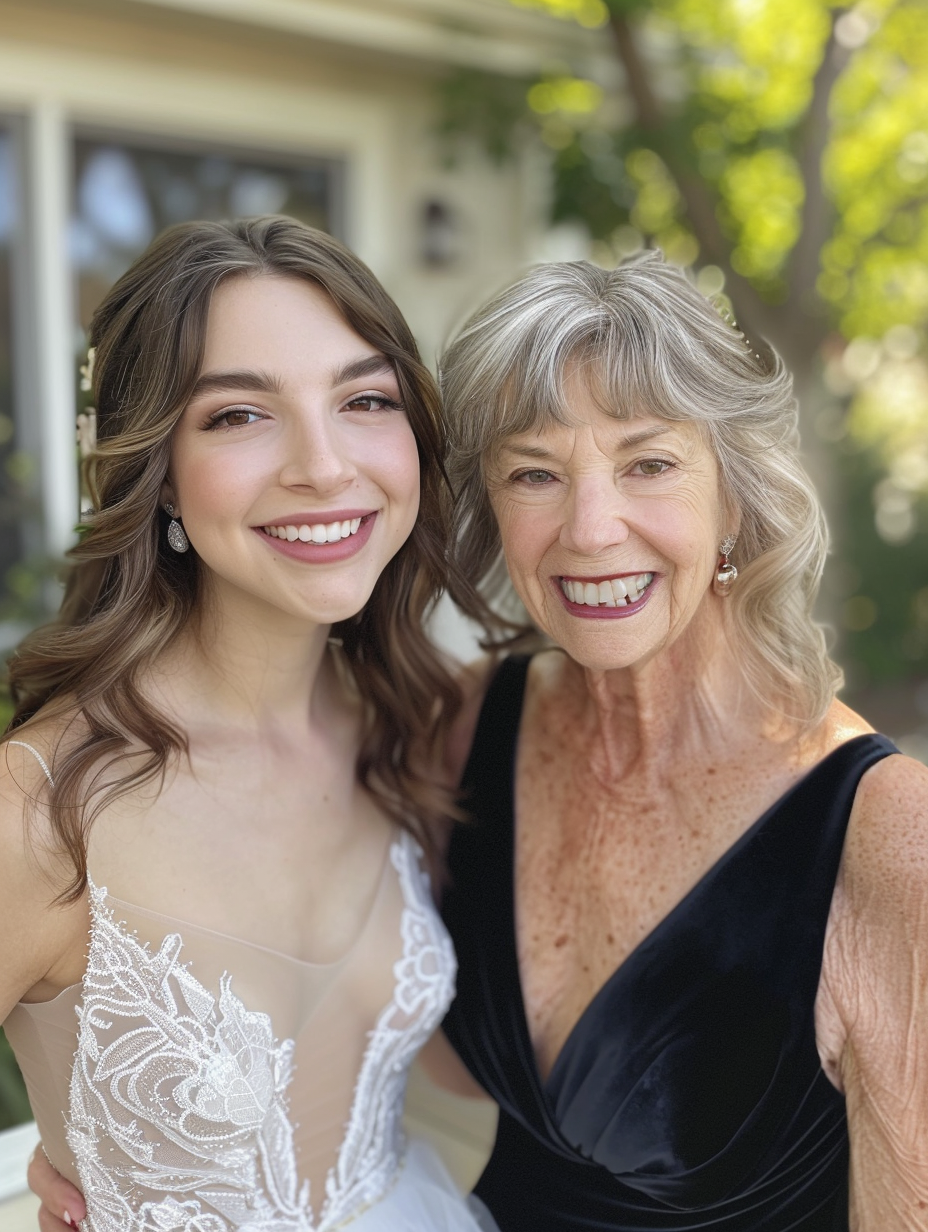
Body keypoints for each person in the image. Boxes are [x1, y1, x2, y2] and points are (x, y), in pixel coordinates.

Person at [1, 215, 497, 1232]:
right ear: (157, 470)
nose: (324, 465)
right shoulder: (41, 813)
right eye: (239, 415)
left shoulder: (414, 720)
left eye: (365, 399)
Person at [436, 253, 928, 1229]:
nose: (588, 527)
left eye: (647, 462)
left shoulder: (883, 835)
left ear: (733, 497)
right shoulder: (467, 723)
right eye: (533, 472)